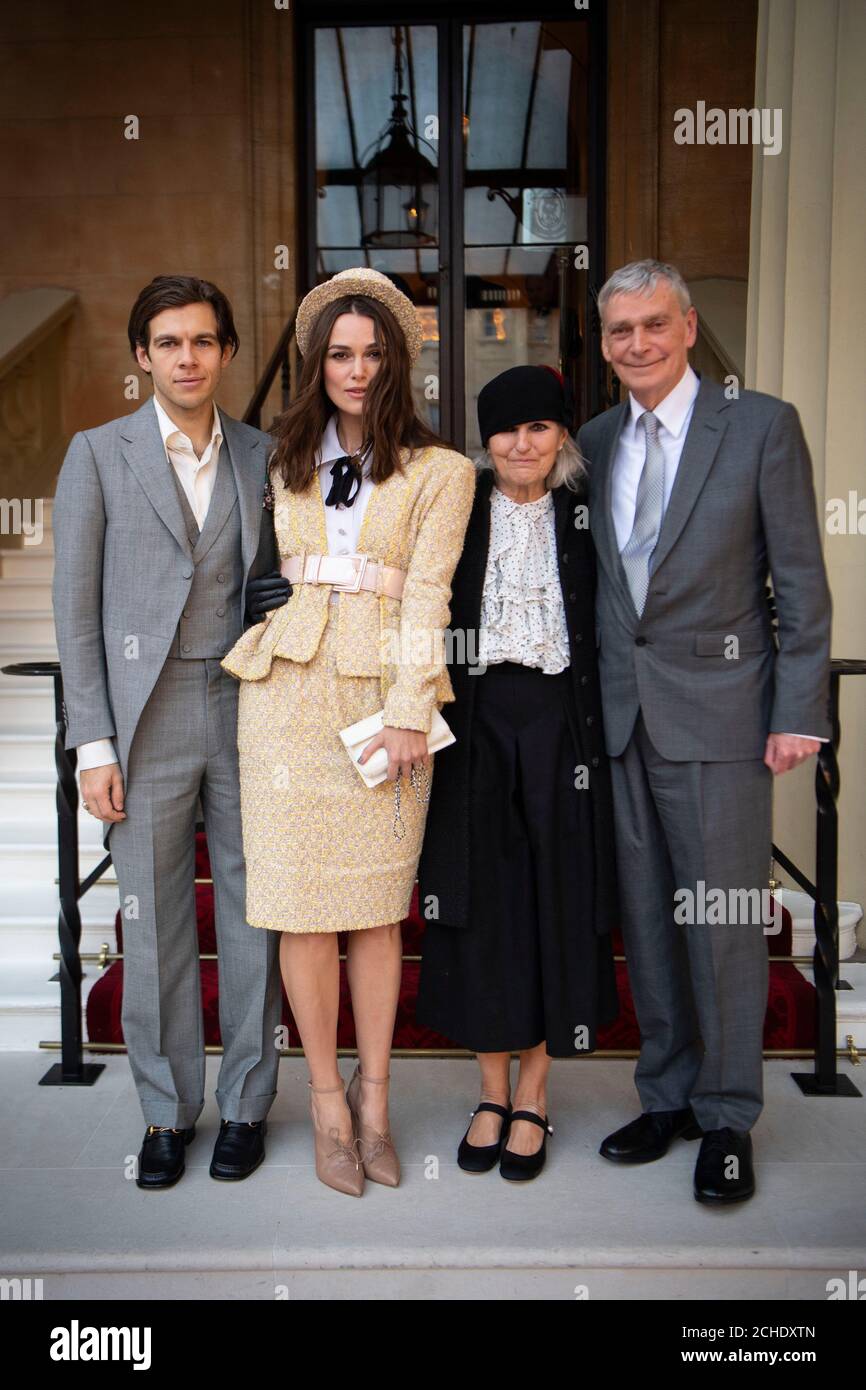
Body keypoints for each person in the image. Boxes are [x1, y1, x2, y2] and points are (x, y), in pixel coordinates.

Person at [579, 258, 831, 1204]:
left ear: (687, 327)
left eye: (653, 324)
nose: (637, 343)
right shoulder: (596, 439)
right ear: (604, 345)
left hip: (725, 721)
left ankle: (728, 1117)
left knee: (721, 925)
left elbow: (801, 584)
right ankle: (669, 1092)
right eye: (619, 332)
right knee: (646, 919)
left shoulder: (759, 426)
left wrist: (799, 711)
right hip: (622, 718)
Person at [222, 267, 476, 1197]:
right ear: (316, 361)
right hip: (284, 697)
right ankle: (325, 1104)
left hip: (384, 700)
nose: (357, 370)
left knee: (375, 910)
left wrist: (414, 708)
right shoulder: (277, 459)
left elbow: (433, 592)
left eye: (373, 354)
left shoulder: (445, 472)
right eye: (340, 354)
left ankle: (376, 1104)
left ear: (399, 361)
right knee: (298, 908)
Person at [52, 275, 284, 1189]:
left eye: (203, 340)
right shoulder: (96, 455)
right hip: (143, 724)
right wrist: (92, 745)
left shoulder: (266, 454)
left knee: (254, 915)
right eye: (168, 342)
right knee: (151, 925)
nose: (187, 357)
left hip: (250, 712)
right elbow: (75, 614)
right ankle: (165, 1113)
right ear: (142, 356)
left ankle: (250, 1104)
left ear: (225, 352)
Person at [415, 366, 619, 1182]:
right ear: (485, 437)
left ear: (562, 434)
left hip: (564, 724)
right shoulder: (457, 508)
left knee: (555, 901)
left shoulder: (587, 513)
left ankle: (536, 1093)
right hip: (473, 722)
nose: (522, 444)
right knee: (482, 906)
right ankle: (490, 1092)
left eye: (540, 427)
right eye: (506, 429)